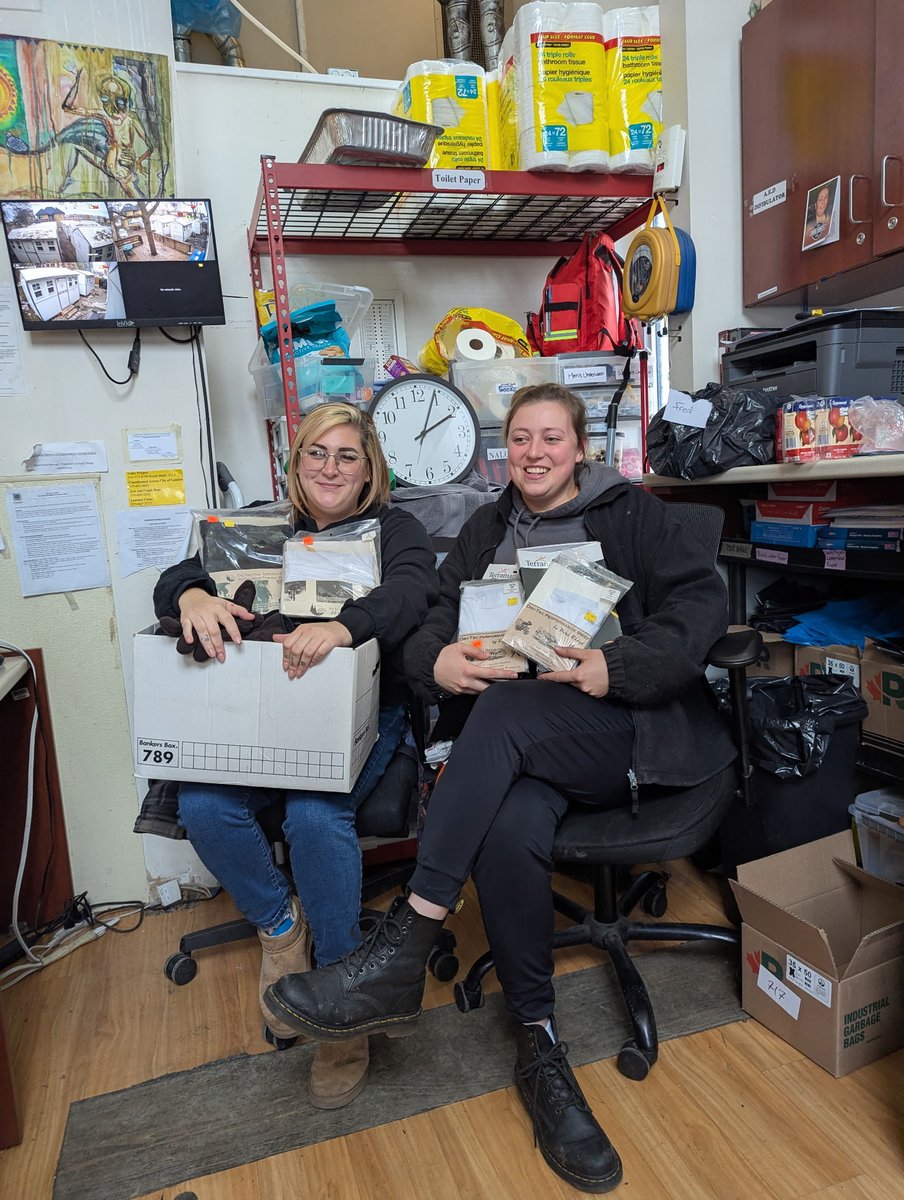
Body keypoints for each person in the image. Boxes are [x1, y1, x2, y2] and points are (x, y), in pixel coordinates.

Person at [266, 383, 737, 1189]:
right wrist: (437, 661)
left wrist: (611, 665)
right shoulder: (488, 527)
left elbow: (702, 604)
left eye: (551, 438)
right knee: (511, 818)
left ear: (580, 447)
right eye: (520, 440)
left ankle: (406, 942)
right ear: (503, 450)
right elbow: (430, 621)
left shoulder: (632, 513)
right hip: (522, 749)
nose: (535, 454)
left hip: (620, 726)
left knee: (509, 714)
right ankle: (541, 1044)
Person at [152, 402, 438, 1110]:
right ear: (295, 461)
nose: (331, 468)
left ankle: (343, 1002)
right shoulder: (261, 525)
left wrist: (346, 627)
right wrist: (189, 592)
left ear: (370, 467)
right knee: (203, 804)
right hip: (262, 716)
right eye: (317, 453)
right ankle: (282, 930)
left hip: (366, 715)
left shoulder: (394, 530)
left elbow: (412, 590)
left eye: (348, 455)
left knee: (315, 817)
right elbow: (174, 576)